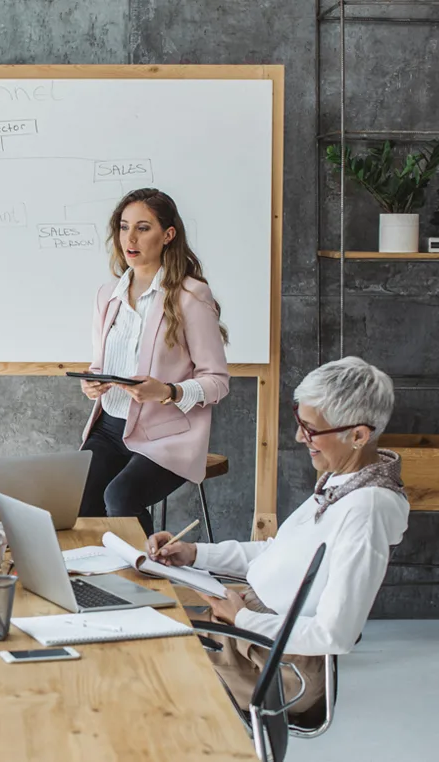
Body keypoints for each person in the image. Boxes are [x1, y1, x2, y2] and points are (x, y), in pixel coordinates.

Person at [147, 357, 409, 718]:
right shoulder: (342, 481)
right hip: (250, 630)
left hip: (279, 663)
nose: (300, 436)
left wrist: (244, 621)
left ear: (359, 436)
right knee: (139, 633)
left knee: (141, 664)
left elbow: (336, 634)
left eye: (310, 428)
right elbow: (278, 553)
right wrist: (194, 554)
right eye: (299, 421)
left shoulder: (368, 509)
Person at [79, 187, 230, 536]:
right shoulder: (108, 295)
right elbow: (101, 364)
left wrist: (168, 391)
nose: (129, 238)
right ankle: (98, 584)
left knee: (120, 497)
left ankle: (151, 578)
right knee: (77, 500)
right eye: (123, 226)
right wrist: (93, 381)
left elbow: (218, 382)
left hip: (167, 434)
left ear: (168, 235)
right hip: (109, 428)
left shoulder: (192, 295)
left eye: (143, 228)